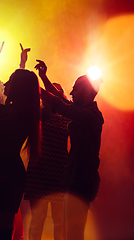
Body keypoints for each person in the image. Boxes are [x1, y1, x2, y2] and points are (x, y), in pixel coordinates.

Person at [0, 42, 41, 240]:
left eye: (10, 81)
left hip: (8, 172)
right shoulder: (21, 109)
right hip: (10, 171)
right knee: (3, 225)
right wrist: (21, 66)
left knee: (1, 226)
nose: (5, 83)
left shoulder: (16, 112)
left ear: (19, 88)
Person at [38, 60, 104, 240]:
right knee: (70, 233)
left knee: (73, 234)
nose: (72, 92)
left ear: (87, 91)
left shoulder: (92, 116)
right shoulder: (85, 111)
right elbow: (62, 101)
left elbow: (60, 105)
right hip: (76, 178)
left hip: (82, 179)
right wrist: (43, 78)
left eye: (75, 89)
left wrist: (34, 87)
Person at [24, 81, 69, 240]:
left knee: (59, 221)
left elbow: (62, 100)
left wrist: (44, 78)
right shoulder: (36, 117)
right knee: (37, 219)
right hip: (38, 173)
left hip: (59, 174)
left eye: (57, 92)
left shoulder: (66, 117)